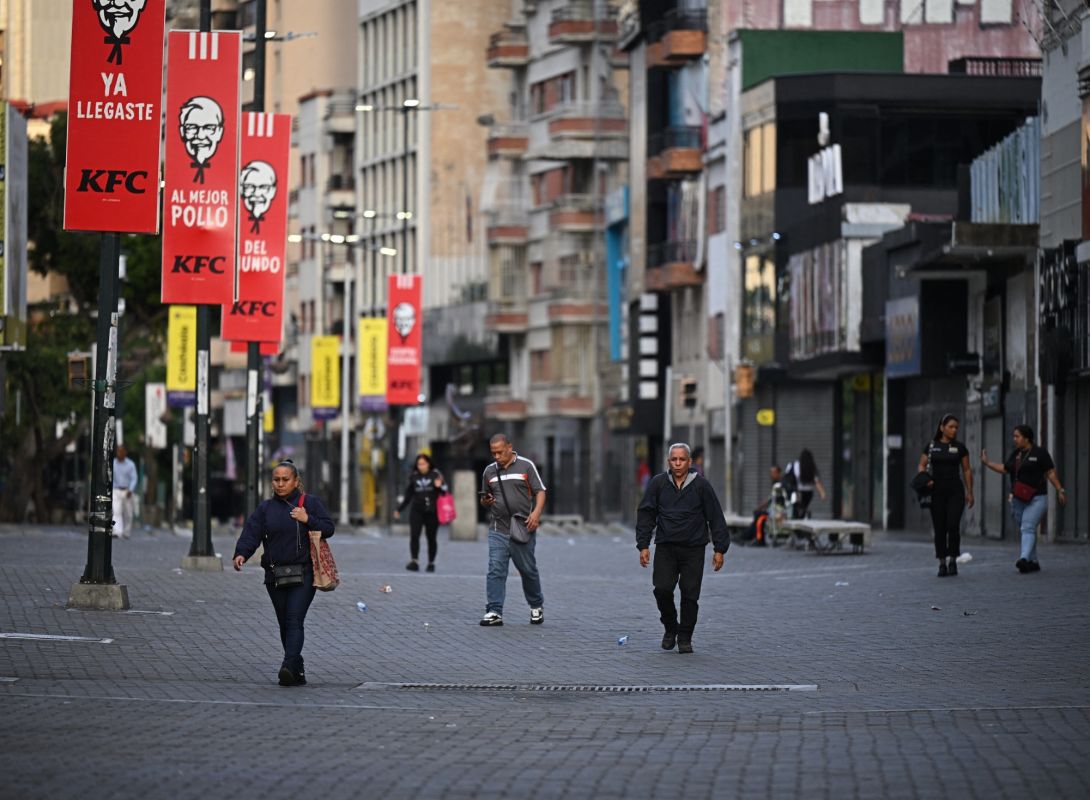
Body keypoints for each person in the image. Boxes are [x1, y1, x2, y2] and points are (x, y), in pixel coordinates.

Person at [232, 460, 335, 686]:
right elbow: (252, 532)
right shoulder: (266, 509)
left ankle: (287, 666)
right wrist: (242, 553)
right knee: (284, 623)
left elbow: (329, 528)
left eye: (285, 479)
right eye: (276, 480)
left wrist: (307, 519)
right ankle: (296, 668)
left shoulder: (310, 503)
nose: (280, 484)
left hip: (304, 573)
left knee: (293, 619)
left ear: (296, 481)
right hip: (275, 575)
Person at [636, 443, 729, 654]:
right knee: (662, 589)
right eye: (674, 459)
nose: (678, 463)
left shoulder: (701, 486)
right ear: (669, 462)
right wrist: (643, 545)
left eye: (682, 459)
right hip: (666, 548)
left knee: (690, 595)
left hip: (693, 549)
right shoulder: (658, 484)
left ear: (689, 461)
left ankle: (685, 637)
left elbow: (715, 517)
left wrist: (719, 549)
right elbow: (646, 513)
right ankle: (670, 628)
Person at [478, 433, 546, 627]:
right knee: (495, 569)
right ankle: (494, 611)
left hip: (523, 527)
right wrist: (486, 501)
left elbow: (540, 491)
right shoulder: (489, 471)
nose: (497, 457)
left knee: (527, 570)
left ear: (509, 447)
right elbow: (485, 498)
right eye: (493, 453)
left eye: (500, 452)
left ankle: (536, 605)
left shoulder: (526, 466)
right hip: (498, 527)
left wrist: (536, 514)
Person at [981, 425, 1067, 574]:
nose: (1014, 439)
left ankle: (1023, 559)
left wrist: (1060, 489)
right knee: (1027, 529)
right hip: (1018, 499)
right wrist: (988, 463)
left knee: (1027, 527)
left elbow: (1051, 473)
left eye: (1017, 436)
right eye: (1014, 436)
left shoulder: (1040, 453)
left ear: (1026, 438)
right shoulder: (1016, 454)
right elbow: (1005, 469)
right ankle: (1033, 562)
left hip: (1037, 498)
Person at [918, 414, 974, 578]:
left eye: (956, 427)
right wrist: (925, 480)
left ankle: (953, 560)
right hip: (936, 491)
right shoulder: (931, 446)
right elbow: (921, 465)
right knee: (940, 527)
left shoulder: (960, 447)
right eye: (950, 427)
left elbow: (967, 470)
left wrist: (970, 492)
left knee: (952, 525)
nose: (954, 430)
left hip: (955, 490)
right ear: (942, 428)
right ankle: (942, 562)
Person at [395, 452, 448, 572]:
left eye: (423, 464)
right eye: (419, 464)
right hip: (417, 510)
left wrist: (439, 486)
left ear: (428, 464)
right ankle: (414, 561)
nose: (421, 466)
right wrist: (399, 509)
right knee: (414, 535)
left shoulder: (436, 475)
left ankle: (431, 563)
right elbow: (409, 495)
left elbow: (445, 492)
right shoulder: (414, 476)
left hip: (432, 511)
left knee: (431, 537)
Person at [783, 449, 826, 518]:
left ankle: (798, 515)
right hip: (808, 492)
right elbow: (817, 482)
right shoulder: (811, 467)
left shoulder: (794, 465)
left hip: (797, 491)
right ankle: (802, 514)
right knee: (803, 506)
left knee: (796, 506)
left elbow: (786, 477)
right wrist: (822, 493)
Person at [112, 444, 137, 539]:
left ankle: (126, 532)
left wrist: (131, 489)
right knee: (116, 511)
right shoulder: (113, 463)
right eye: (118, 451)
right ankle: (117, 531)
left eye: (121, 451)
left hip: (127, 491)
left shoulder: (130, 465)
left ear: (125, 453)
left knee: (128, 513)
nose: (119, 453)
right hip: (116, 490)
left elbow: (134, 478)